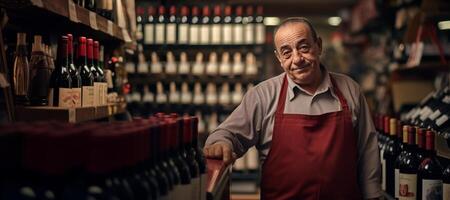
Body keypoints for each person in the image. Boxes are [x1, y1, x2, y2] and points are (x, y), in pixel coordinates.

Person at [203, 17, 381, 200]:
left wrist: (373, 195)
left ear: (318, 45)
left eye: (304, 47)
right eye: (286, 53)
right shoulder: (263, 96)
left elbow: (367, 150)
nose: (297, 59)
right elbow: (226, 134)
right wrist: (220, 143)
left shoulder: (350, 89)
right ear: (279, 58)